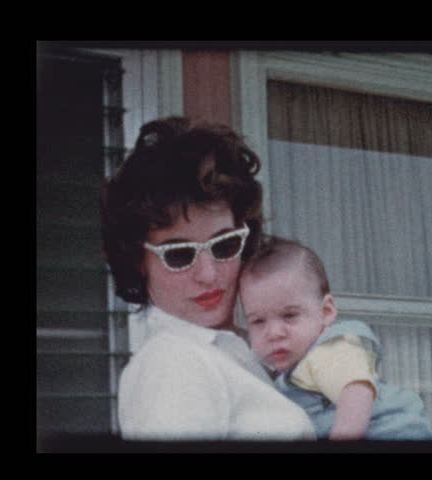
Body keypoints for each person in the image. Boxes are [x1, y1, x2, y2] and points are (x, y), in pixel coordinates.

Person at [100, 117, 315, 441]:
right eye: (178, 254)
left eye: (224, 245)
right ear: (138, 261)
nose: (208, 274)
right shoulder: (172, 363)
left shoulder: (242, 348)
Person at [239, 236, 432, 441]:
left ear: (326, 312)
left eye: (289, 315)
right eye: (258, 321)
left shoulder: (329, 350)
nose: (274, 333)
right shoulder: (284, 371)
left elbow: (356, 393)